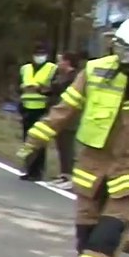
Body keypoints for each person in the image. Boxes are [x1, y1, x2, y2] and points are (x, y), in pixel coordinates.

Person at [16, 15, 129, 257]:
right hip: (94, 168)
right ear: (117, 48)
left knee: (109, 233)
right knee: (87, 235)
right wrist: (35, 139)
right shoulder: (95, 72)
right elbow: (65, 109)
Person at [16, 44, 58, 181]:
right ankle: (28, 169)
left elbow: (55, 89)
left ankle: (38, 171)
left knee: (39, 141)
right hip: (26, 108)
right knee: (27, 141)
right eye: (37, 53)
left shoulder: (52, 69)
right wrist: (23, 87)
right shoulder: (25, 69)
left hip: (42, 109)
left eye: (42, 53)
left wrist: (40, 88)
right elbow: (18, 86)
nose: (39, 56)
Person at [46, 52, 83, 189]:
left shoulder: (75, 77)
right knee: (61, 145)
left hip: (70, 116)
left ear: (67, 62)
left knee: (67, 146)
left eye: (60, 61)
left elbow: (64, 91)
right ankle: (64, 174)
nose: (58, 64)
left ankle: (70, 176)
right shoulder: (61, 75)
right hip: (60, 115)